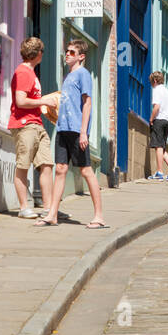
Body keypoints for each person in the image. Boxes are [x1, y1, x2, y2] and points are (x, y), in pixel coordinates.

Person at [37, 39, 106, 228]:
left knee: (86, 170)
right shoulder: (68, 76)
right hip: (62, 128)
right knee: (60, 169)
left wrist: (84, 132)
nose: (67, 54)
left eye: (72, 52)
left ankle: (99, 216)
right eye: (67, 51)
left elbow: (87, 103)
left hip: (77, 130)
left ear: (81, 57)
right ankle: (52, 214)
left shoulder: (83, 74)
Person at [10, 38, 61, 219]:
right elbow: (20, 101)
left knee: (46, 164)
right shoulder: (23, 72)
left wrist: (45, 108)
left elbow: (29, 101)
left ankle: (48, 208)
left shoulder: (30, 73)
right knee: (23, 165)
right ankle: (24, 208)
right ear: (38, 54)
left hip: (36, 123)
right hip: (24, 125)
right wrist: (44, 101)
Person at [147, 72, 168, 182]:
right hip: (167, 120)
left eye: (151, 82)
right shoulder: (167, 92)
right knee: (162, 146)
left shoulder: (157, 90)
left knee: (158, 146)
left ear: (155, 81)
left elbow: (156, 107)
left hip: (159, 120)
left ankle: (159, 172)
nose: (151, 84)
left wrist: (151, 119)